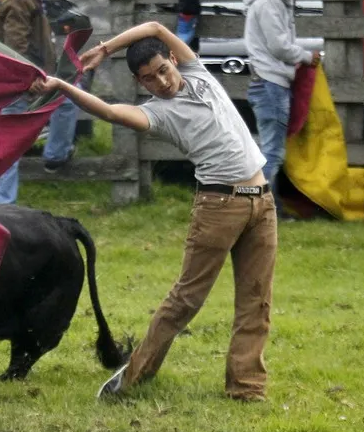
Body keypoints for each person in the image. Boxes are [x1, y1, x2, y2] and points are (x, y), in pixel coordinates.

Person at [30, 21, 275, 402]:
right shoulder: (157, 113)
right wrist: (63, 86)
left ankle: (246, 388)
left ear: (174, 60)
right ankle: (132, 377)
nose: (160, 81)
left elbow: (156, 27)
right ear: (141, 84)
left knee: (256, 300)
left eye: (163, 70)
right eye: (148, 79)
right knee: (186, 301)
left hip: (262, 201)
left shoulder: (197, 72)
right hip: (219, 206)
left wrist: (105, 49)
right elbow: (111, 112)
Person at [0, 0, 79, 205]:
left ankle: (5, 203)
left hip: (22, 76)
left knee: (67, 100)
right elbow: (15, 44)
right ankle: (52, 159)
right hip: (20, 79)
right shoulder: (18, 1)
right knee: (9, 144)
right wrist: (27, 78)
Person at [243, 0, 320, 219]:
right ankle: (253, 208)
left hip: (268, 82)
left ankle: (266, 207)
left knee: (269, 149)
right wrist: (307, 57)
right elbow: (279, 46)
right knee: (272, 152)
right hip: (271, 83)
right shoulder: (268, 2)